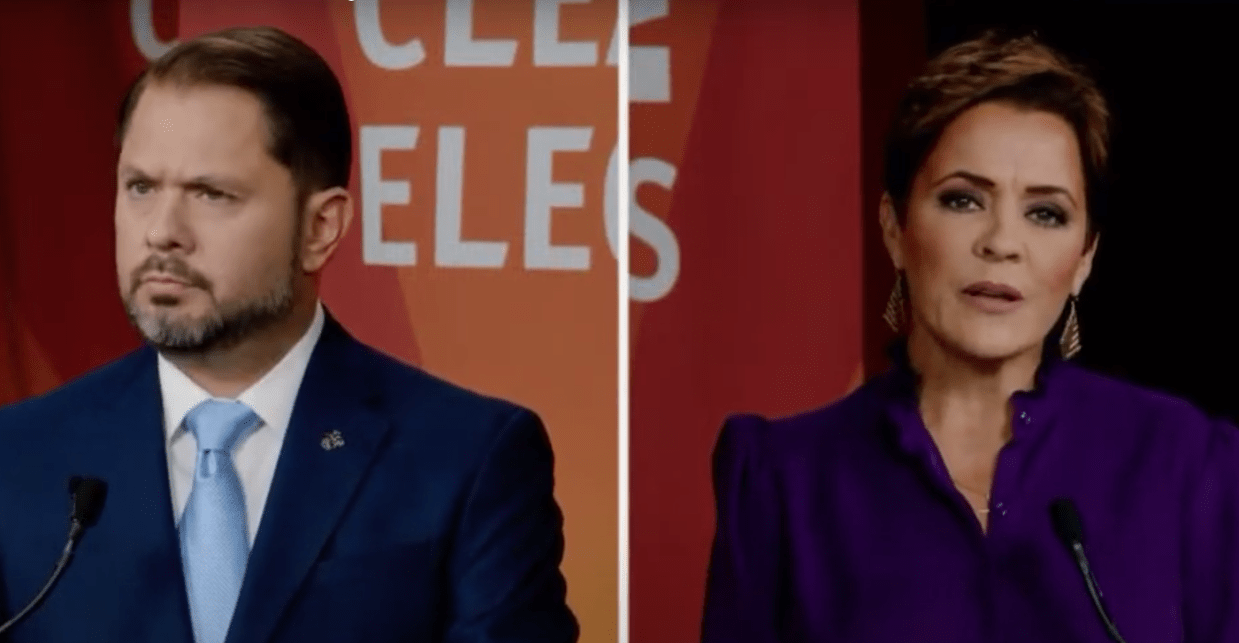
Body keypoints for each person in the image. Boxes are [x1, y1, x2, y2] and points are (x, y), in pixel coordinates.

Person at [0, 26, 577, 643]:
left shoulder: (468, 459)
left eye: (211, 193)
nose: (161, 231)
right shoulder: (17, 456)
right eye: (140, 187)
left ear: (320, 227)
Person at [701, 32, 1239, 643]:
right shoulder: (783, 479)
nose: (1002, 242)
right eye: (963, 200)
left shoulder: (1187, 464)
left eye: (1046, 213)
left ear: (1085, 256)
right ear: (896, 228)